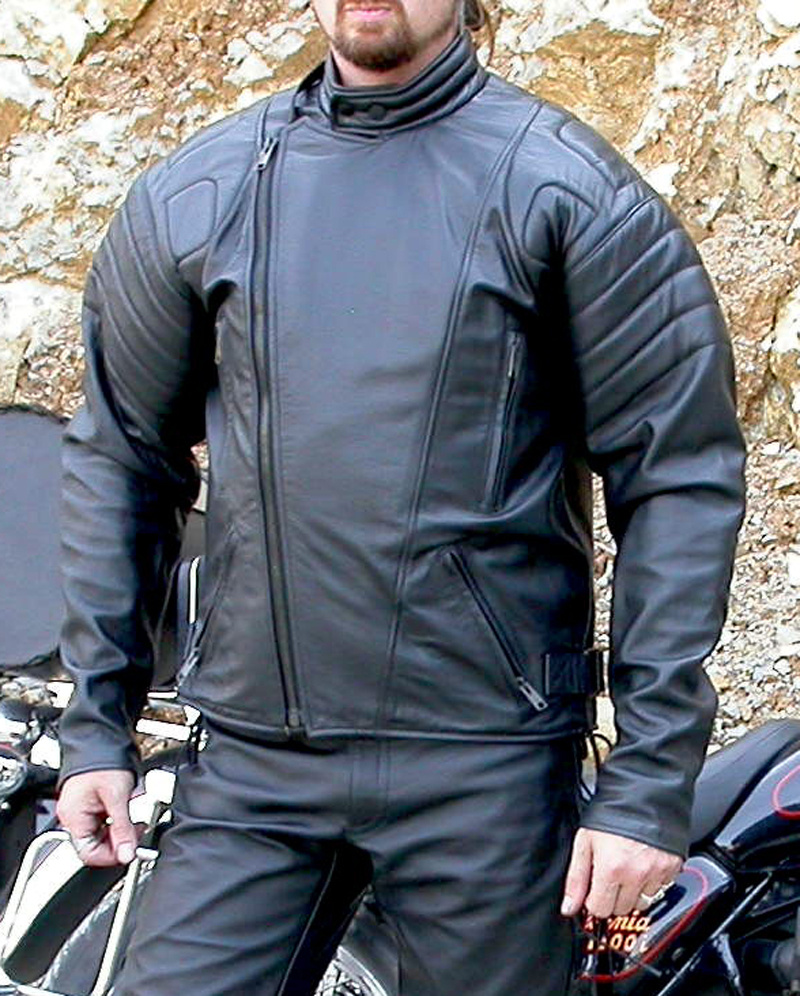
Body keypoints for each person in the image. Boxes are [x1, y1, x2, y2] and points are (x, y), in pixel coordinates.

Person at [55, 1, 746, 994]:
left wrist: (645, 783)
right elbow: (122, 455)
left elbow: (677, 476)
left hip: (486, 773)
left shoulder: (565, 190)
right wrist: (96, 722)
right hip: (256, 767)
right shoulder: (199, 191)